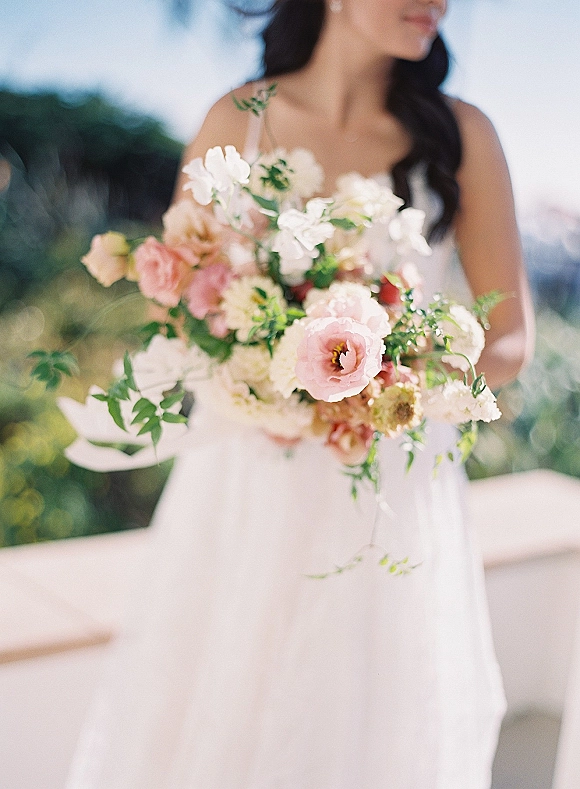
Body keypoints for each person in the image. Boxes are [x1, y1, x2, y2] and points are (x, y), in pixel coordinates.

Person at [66, 1, 534, 787]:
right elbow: (175, 302)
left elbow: (512, 341)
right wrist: (257, 365)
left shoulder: (463, 134)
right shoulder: (238, 119)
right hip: (247, 491)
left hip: (391, 494)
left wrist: (381, 380)